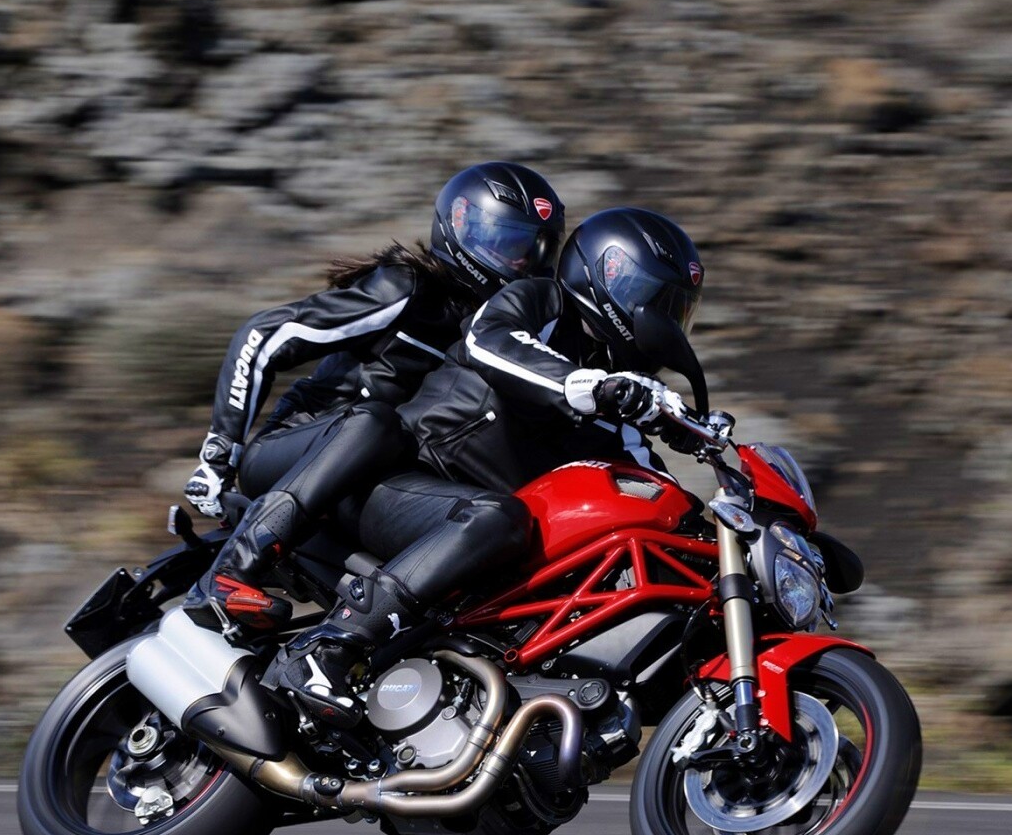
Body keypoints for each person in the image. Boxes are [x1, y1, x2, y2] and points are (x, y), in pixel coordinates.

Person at [272, 207, 709, 726]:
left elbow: (651, 490)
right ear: (609, 275)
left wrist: (719, 539)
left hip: (461, 532)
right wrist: (588, 386)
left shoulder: (619, 407)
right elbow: (493, 344)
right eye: (654, 298)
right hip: (394, 481)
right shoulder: (541, 303)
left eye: (676, 310)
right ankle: (328, 648)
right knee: (498, 517)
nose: (662, 318)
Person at [180, 163, 567, 633]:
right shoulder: (410, 289)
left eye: (532, 249)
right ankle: (229, 570)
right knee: (378, 423)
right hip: (296, 454)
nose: (519, 262)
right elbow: (263, 336)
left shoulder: (507, 333)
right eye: (504, 241)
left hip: (369, 484)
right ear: (459, 224)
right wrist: (219, 453)